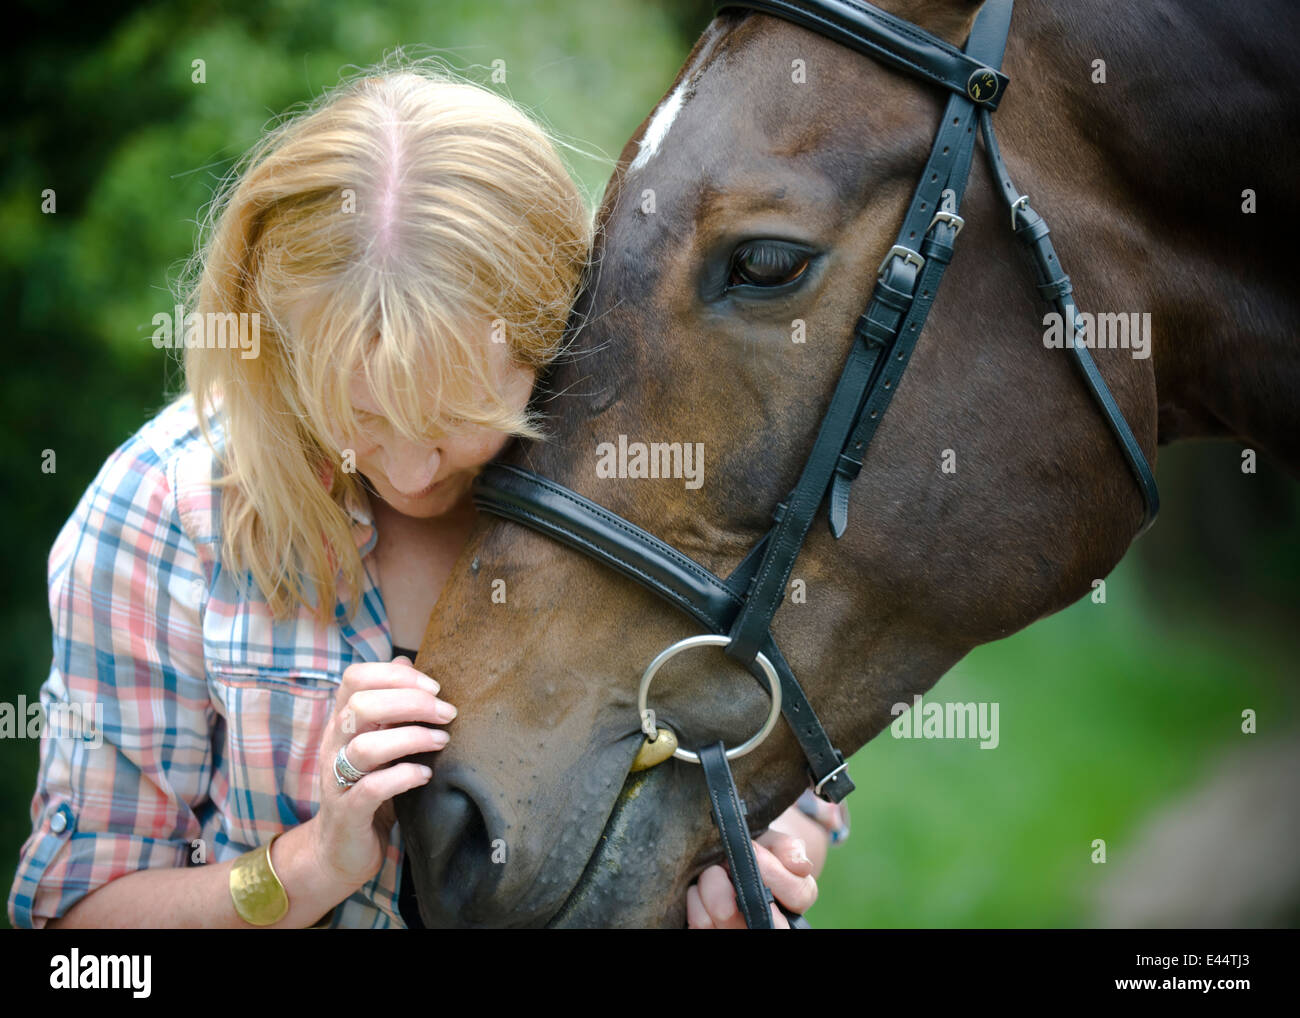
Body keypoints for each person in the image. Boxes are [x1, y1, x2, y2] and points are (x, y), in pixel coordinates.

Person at [8, 61, 843, 930]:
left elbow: (790, 737)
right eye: (358, 415)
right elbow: (79, 932)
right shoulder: (165, 510)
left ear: (556, 327)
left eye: (457, 417)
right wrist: (307, 865)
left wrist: (756, 867)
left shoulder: (648, 476)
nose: (409, 473)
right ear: (279, 348)